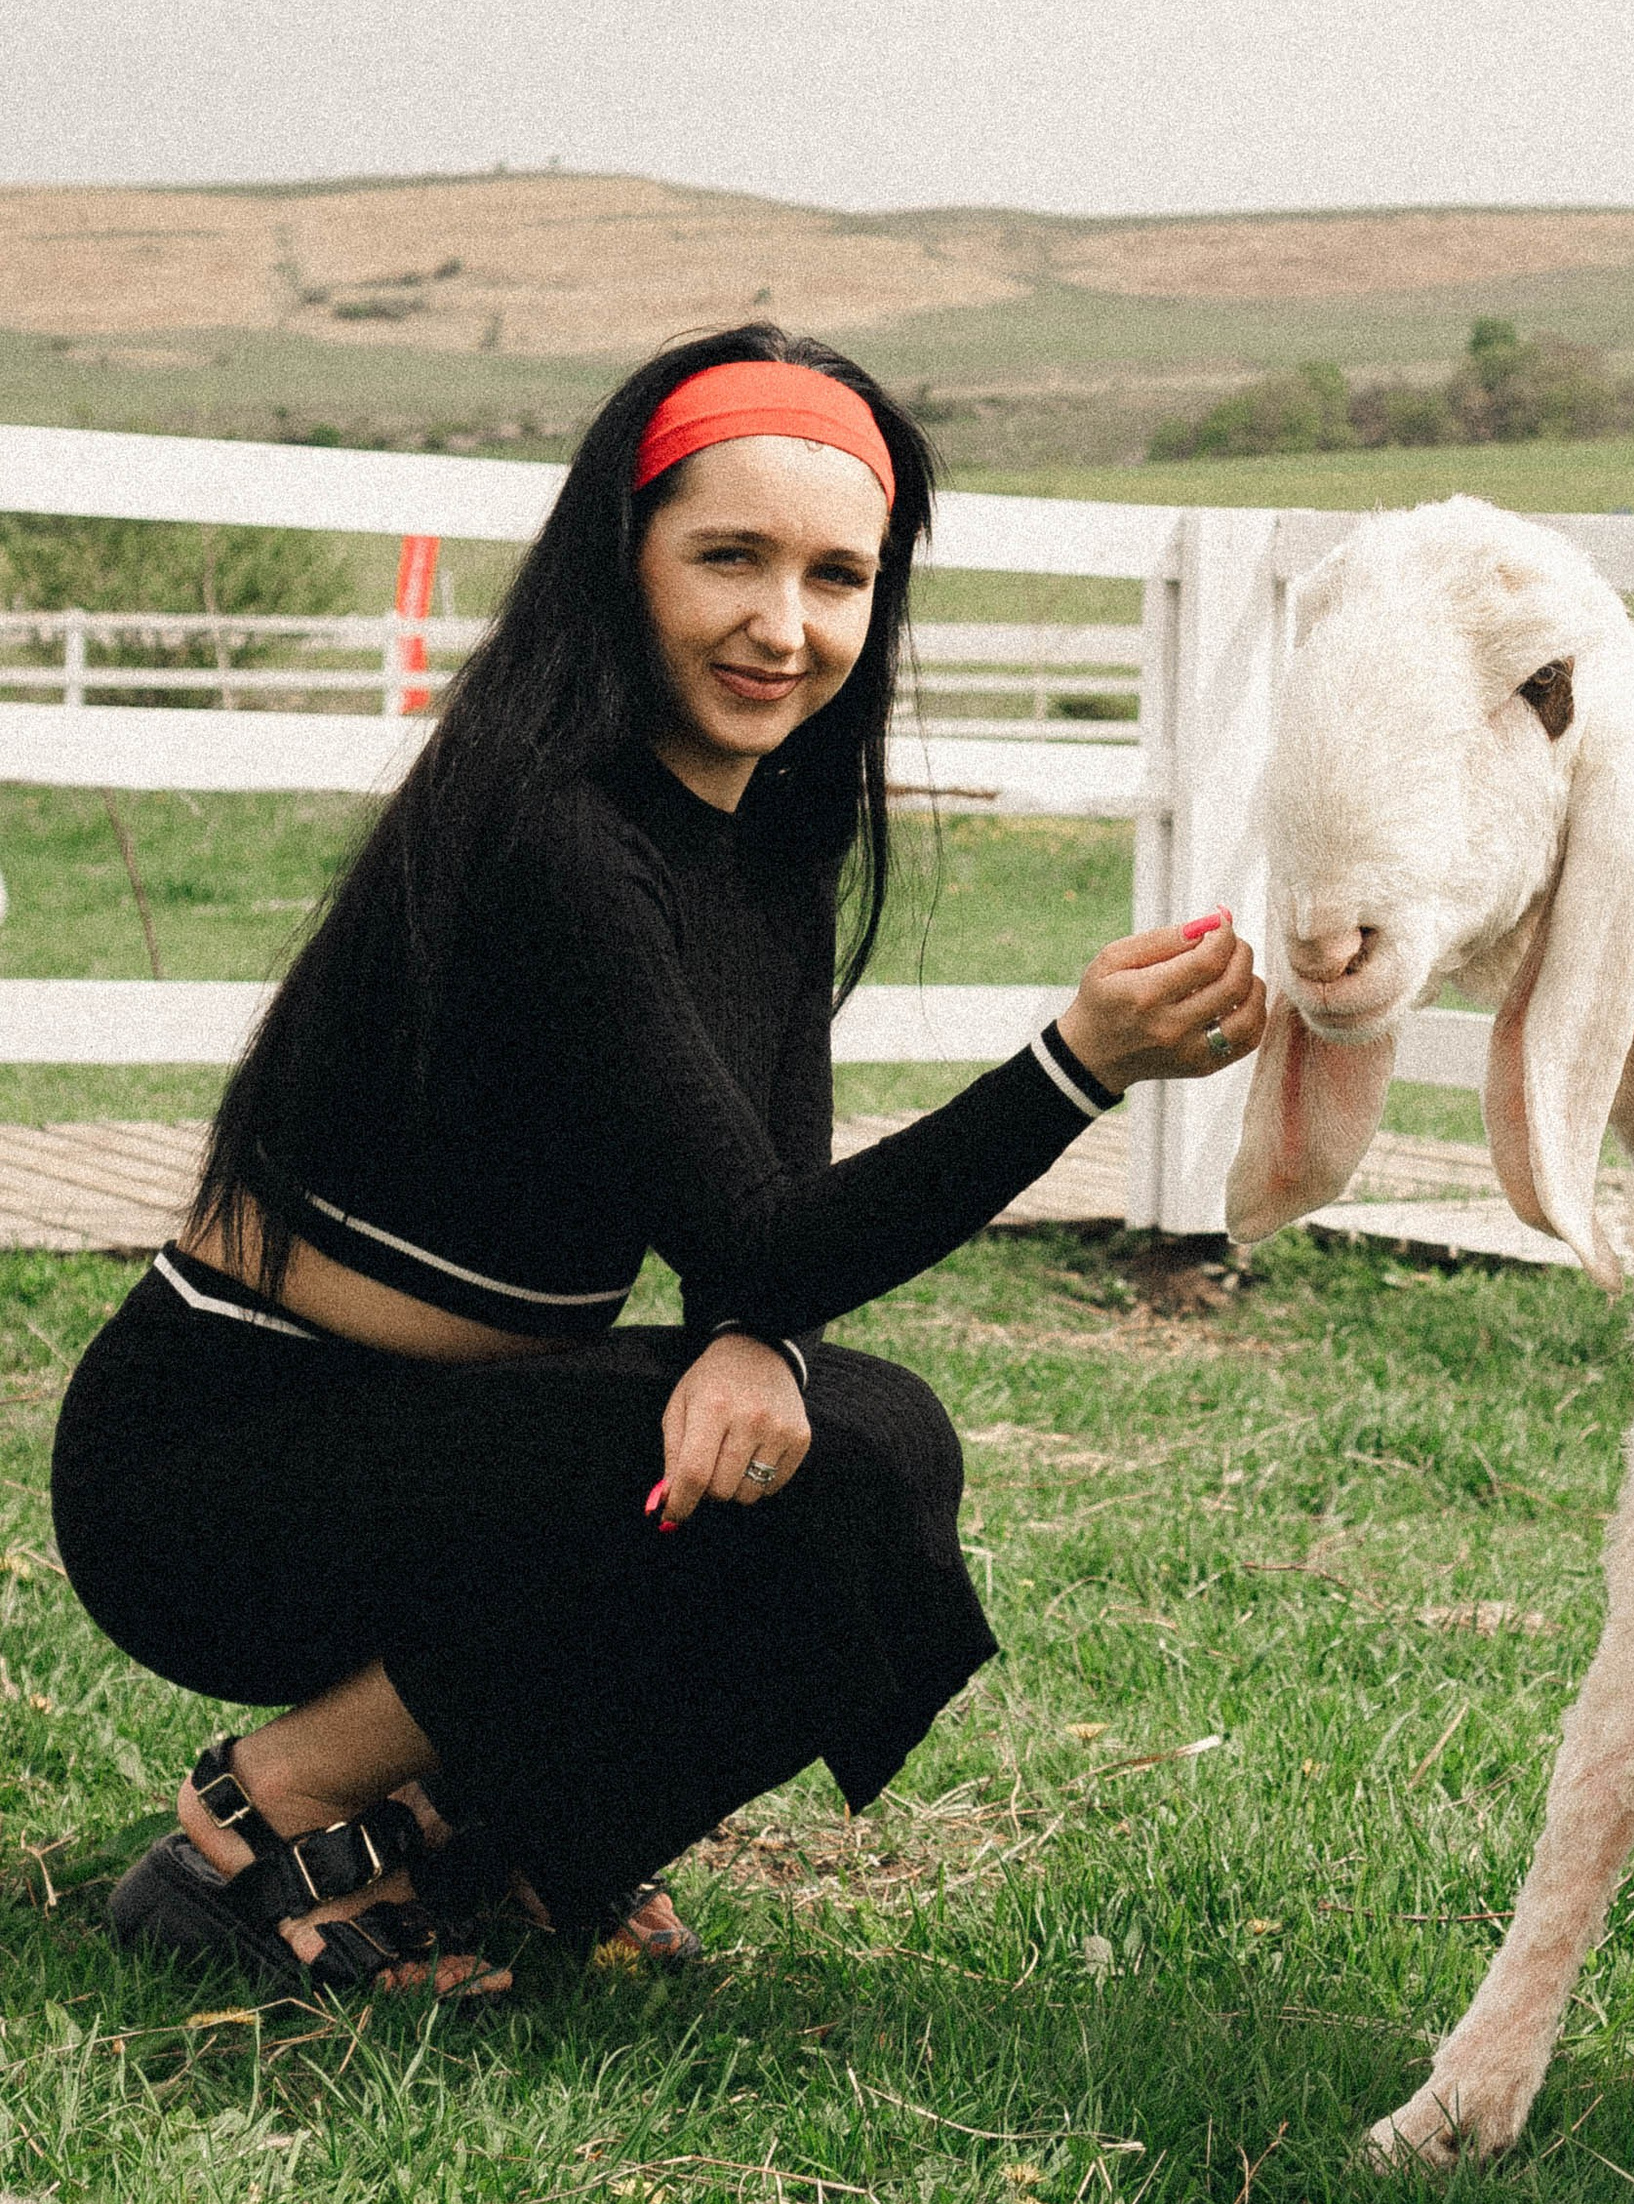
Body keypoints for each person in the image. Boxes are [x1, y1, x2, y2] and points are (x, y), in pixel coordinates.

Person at [51, 328, 1265, 2003]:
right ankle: (261, 1823)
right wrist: (1078, 1070)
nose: (785, 625)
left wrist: (756, 1338)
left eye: (838, 576)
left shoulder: (776, 837)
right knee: (834, 1468)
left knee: (876, 1440)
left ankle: (497, 1842)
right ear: (621, 560)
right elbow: (767, 1233)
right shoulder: (551, 826)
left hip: (462, 1439)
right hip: (222, 1467)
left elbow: (765, 1215)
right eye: (730, 558)